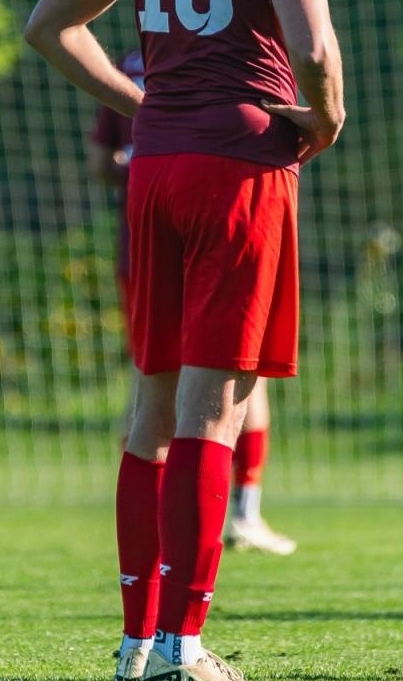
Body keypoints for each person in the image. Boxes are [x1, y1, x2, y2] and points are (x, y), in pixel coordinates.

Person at [25, 0, 343, 681]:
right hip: (239, 170)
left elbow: (49, 25)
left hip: (155, 169)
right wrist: (325, 118)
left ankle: (136, 641)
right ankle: (183, 644)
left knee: (151, 406)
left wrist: (144, 105)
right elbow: (314, 43)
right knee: (217, 407)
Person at [90, 49, 298, 558]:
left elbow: (99, 163)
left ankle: (151, 522)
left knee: (150, 380)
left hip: (142, 242)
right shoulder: (247, 58)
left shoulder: (127, 66)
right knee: (237, 377)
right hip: (231, 221)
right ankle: (242, 513)